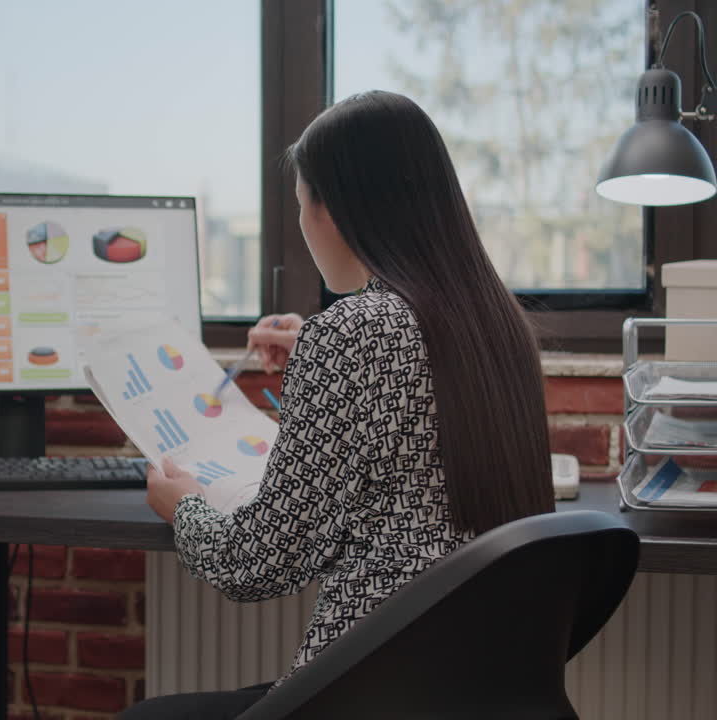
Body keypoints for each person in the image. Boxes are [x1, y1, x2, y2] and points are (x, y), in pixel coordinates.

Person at [120, 90, 554, 719]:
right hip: (468, 687)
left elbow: (256, 564)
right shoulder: (495, 322)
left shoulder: (354, 331)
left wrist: (183, 507)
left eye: (300, 205)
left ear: (336, 209)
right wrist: (317, 351)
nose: (301, 226)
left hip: (367, 688)